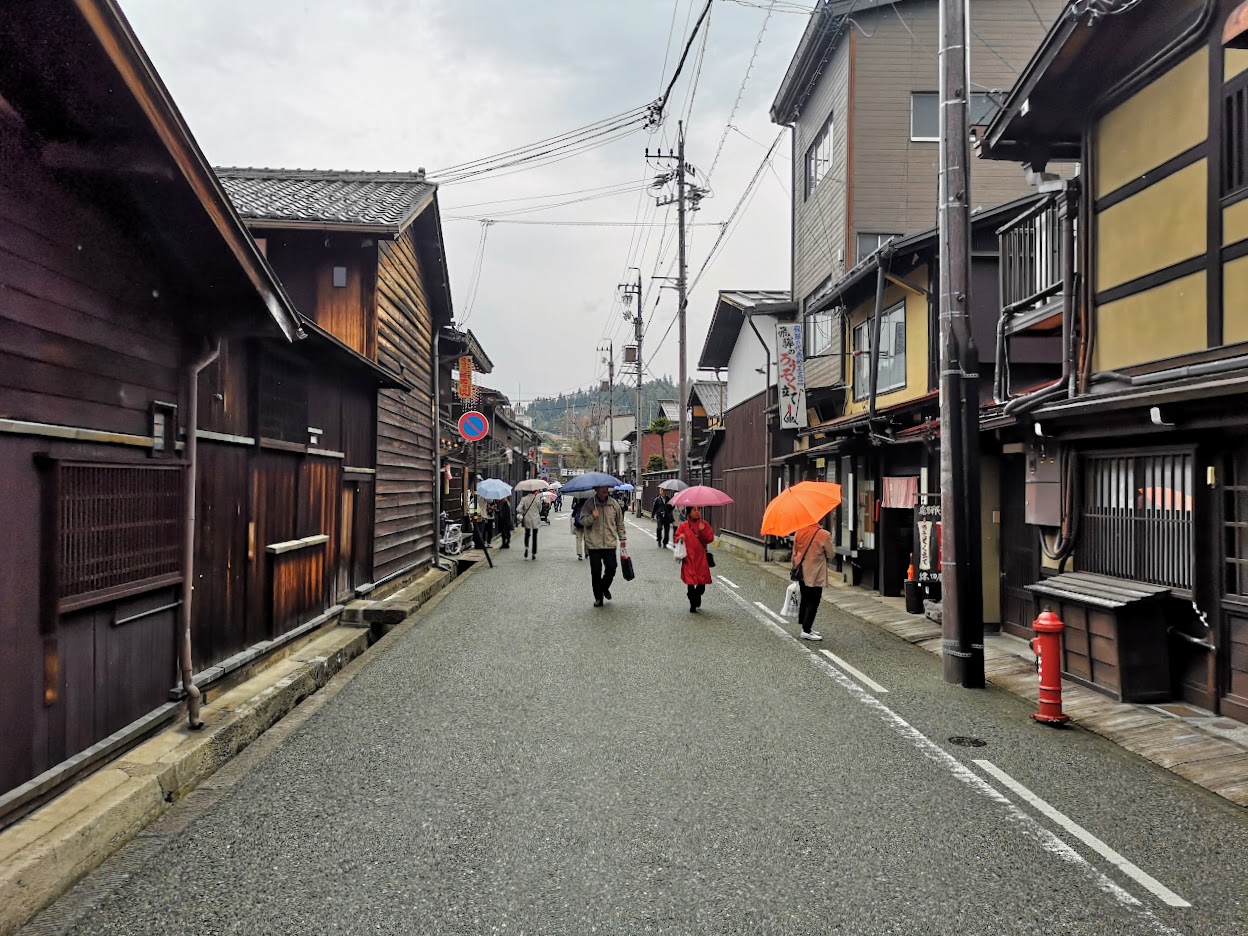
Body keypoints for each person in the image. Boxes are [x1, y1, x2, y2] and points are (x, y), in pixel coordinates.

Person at [580, 485, 627, 607]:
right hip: (593, 543)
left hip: (610, 542)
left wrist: (622, 538)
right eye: (602, 488)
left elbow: (620, 523)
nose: (605, 490)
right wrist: (592, 517)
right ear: (596, 489)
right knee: (596, 572)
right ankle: (598, 597)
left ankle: (604, 587)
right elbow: (582, 521)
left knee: (612, 568)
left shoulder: (614, 504)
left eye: (607, 487)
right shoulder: (589, 504)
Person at [791, 521, 837, 640]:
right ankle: (806, 630)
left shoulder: (799, 532)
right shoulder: (824, 534)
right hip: (815, 572)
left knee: (805, 598)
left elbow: (794, 552)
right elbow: (831, 554)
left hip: (802, 570)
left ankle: (806, 626)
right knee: (814, 600)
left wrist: (794, 565)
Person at [674, 506, 714, 613]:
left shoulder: (704, 524)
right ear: (689, 512)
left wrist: (703, 531)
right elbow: (676, 538)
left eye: (699, 510)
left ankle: (698, 595)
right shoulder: (683, 526)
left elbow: (710, 538)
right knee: (690, 581)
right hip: (689, 557)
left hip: (701, 557)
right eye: (694, 510)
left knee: (702, 581)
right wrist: (680, 537)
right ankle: (692, 602)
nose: (697, 512)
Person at [516, 489, 543, 559]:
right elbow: (540, 509)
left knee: (527, 535)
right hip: (535, 519)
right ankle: (534, 553)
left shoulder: (524, 499)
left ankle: (526, 547)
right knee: (535, 536)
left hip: (527, 519)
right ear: (535, 491)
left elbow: (518, 509)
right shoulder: (537, 499)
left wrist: (523, 511)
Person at [571, 496, 587, 560]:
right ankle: (587, 552)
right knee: (587, 539)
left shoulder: (577, 506)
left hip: (578, 524)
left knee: (578, 539)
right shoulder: (588, 506)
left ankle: (579, 553)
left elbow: (573, 515)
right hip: (586, 524)